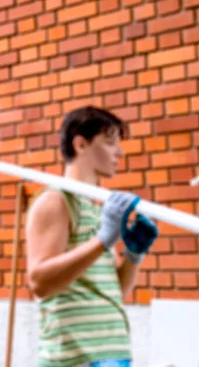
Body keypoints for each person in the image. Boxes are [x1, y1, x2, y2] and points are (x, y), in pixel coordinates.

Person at [25, 106, 158, 367]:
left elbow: (116, 290)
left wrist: (134, 254)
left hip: (112, 352)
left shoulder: (98, 209)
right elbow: (39, 280)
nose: (119, 153)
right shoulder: (55, 201)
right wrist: (102, 241)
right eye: (110, 143)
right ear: (80, 144)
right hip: (76, 358)